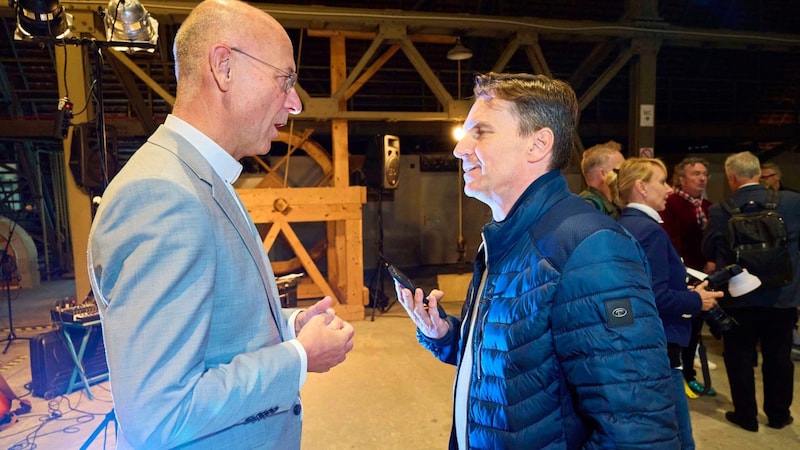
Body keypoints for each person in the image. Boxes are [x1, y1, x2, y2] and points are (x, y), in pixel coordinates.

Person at [86, 1, 355, 448]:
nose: (296, 102)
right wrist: (299, 357)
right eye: (285, 79)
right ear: (224, 67)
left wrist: (287, 325)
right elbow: (159, 415)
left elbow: (216, 321)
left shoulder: (200, 174)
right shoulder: (163, 195)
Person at [395, 72, 680, 449]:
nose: (460, 148)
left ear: (537, 144)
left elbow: (640, 431)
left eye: (480, 131)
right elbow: (513, 365)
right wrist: (447, 336)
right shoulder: (506, 238)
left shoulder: (591, 249)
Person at [610, 157, 722, 449]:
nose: (669, 190)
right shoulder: (650, 232)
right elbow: (653, 297)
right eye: (661, 182)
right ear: (642, 188)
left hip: (638, 341)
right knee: (679, 437)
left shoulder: (626, 225)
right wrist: (696, 300)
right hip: (660, 343)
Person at [702, 151, 800, 432]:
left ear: (732, 177)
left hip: (740, 298)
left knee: (740, 356)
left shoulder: (720, 211)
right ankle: (779, 415)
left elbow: (709, 251)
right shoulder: (793, 203)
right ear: (758, 172)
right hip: (782, 296)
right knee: (779, 357)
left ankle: (746, 415)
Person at [659, 157, 716, 397]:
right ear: (681, 179)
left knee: (695, 328)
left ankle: (688, 373)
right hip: (683, 275)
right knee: (681, 327)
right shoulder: (672, 204)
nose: (702, 178)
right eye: (695, 174)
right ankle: (679, 375)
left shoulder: (709, 206)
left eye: (704, 173)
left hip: (705, 274)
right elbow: (672, 241)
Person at [578, 140, 624, 219]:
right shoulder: (589, 207)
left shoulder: (614, 204)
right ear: (603, 174)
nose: (626, 174)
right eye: (620, 170)